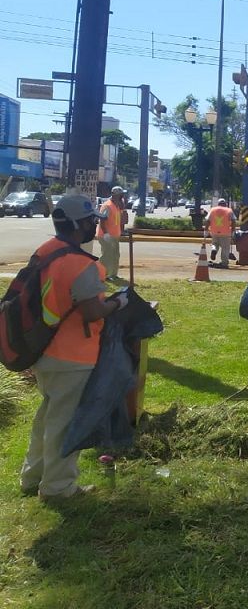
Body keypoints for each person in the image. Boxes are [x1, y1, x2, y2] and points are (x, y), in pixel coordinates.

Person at [19, 194, 129, 501]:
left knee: (45, 419)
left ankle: (33, 476)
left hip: (44, 350)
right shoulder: (80, 264)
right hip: (72, 356)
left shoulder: (47, 251)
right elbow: (92, 311)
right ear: (77, 224)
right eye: (90, 221)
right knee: (64, 425)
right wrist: (117, 303)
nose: (93, 226)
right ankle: (57, 488)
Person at [97, 186, 126, 282]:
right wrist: (106, 234)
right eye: (121, 195)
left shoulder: (117, 205)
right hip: (106, 236)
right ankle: (101, 275)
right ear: (116, 195)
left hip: (114, 235)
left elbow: (121, 219)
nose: (123, 197)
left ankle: (113, 274)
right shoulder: (107, 206)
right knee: (106, 256)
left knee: (115, 255)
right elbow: (102, 220)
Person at [205, 198, 236, 269]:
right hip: (225, 232)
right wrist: (233, 231)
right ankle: (224, 263)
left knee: (215, 243)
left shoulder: (212, 210)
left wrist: (206, 230)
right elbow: (233, 221)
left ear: (218, 204)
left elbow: (208, 221)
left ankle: (214, 249)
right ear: (225, 204)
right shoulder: (229, 210)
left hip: (214, 231)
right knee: (225, 248)